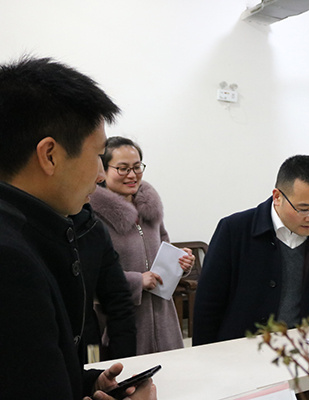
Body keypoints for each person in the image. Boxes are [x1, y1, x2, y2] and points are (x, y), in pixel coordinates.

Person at [0, 56, 155, 399]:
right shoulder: (10, 261)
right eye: (98, 156)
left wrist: (86, 383)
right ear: (50, 155)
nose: (100, 175)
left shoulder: (34, 231)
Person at [192, 155, 309, 345]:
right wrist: (203, 353)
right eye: (303, 209)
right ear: (277, 197)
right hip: (239, 348)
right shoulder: (234, 230)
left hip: (298, 349)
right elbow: (208, 302)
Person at [89, 136, 195, 355]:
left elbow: (164, 248)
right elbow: (91, 276)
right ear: (103, 169)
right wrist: (138, 280)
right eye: (123, 168)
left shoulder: (150, 209)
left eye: (137, 167)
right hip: (121, 322)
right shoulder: (92, 216)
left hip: (164, 320)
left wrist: (180, 263)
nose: (132, 175)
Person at [71, 201, 137, 363]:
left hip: (90, 344)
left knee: (94, 368)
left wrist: (122, 364)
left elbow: (119, 300)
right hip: (45, 354)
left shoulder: (93, 228)